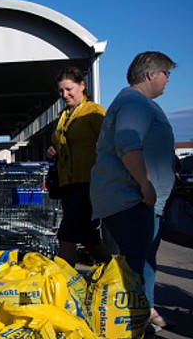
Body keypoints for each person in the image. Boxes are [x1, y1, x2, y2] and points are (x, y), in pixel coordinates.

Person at [90, 51, 177, 333]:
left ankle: (143, 314)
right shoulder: (134, 103)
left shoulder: (133, 102)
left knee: (143, 262)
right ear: (151, 74)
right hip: (133, 199)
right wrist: (144, 182)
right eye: (166, 74)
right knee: (135, 268)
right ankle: (131, 322)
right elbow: (128, 143)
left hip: (136, 200)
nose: (167, 81)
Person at [46, 67, 112, 267]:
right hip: (69, 184)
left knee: (66, 234)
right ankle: (115, 274)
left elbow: (111, 144)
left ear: (82, 86)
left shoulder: (94, 112)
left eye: (69, 89)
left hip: (89, 183)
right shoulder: (63, 117)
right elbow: (61, 143)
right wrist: (53, 151)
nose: (64, 95)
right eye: (60, 91)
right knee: (88, 237)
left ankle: (65, 284)